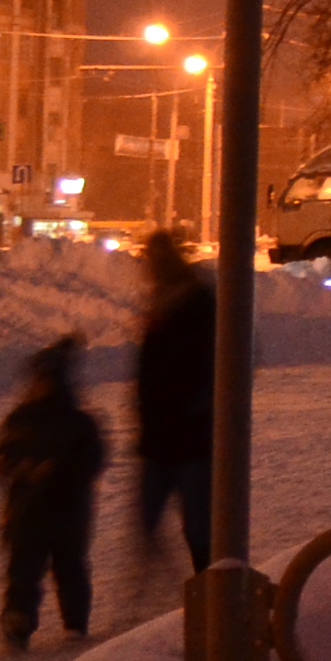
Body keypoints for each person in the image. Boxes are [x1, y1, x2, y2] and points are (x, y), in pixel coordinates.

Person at [0, 338, 107, 651]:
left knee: (39, 570)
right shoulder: (75, 421)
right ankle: (55, 625)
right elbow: (93, 462)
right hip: (54, 513)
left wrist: (37, 470)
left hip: (41, 512)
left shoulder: (30, 420)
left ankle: (41, 624)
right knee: (52, 569)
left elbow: (90, 462)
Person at [130, 233, 215, 576]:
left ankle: (207, 586)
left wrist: (198, 407)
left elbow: (215, 364)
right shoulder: (160, 303)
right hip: (161, 434)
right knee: (154, 520)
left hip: (189, 434)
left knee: (196, 524)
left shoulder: (197, 303)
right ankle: (171, 587)